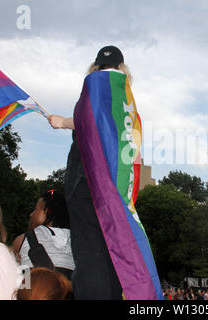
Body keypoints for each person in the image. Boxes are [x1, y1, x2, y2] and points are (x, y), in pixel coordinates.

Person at [47, 45, 162, 300]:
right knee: (114, 250)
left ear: (95, 67)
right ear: (123, 69)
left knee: (89, 254)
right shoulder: (127, 104)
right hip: (115, 188)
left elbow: (86, 118)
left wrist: (61, 122)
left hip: (87, 180)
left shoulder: (94, 85)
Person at [12, 189, 74, 281]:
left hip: (32, 292)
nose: (31, 214)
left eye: (35, 209)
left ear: (46, 212)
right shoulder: (78, 242)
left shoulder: (21, 240)